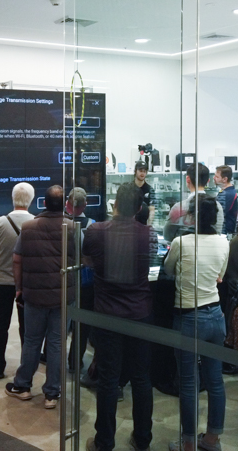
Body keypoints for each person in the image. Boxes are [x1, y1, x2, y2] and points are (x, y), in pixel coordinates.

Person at [83, 183, 153, 451]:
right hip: (140, 313)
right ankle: (143, 438)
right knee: (141, 378)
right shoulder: (148, 233)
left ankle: (104, 442)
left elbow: (87, 260)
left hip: (107, 314)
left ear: (114, 205)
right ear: (138, 208)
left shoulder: (95, 231)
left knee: (108, 380)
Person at [164, 195, 229, 451]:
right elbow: (220, 276)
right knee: (215, 381)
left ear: (191, 216)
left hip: (189, 316)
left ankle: (189, 442)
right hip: (216, 315)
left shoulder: (181, 242)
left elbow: (168, 270)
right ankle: (212, 439)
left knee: (189, 382)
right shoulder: (224, 242)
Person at [5, 185, 75, 409]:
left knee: (32, 341)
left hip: (34, 295)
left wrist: (19, 288)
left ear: (43, 203)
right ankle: (52, 394)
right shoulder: (73, 228)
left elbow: (17, 259)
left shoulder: (28, 227)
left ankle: (23, 386)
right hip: (62, 297)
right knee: (56, 343)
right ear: (65, 204)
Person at [0, 182, 35, 379]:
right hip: (26, 284)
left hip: (1, 281)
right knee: (27, 329)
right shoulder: (35, 223)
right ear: (31, 200)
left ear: (13, 198)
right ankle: (26, 369)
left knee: (0, 326)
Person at [67, 187, 95, 372]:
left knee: (59, 323)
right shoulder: (92, 225)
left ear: (68, 203)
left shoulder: (60, 223)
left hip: (63, 279)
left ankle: (54, 361)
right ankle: (75, 362)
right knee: (82, 324)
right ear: (85, 204)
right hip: (85, 282)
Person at [163, 163, 223, 242]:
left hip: (185, 248)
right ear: (208, 181)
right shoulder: (218, 206)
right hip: (212, 247)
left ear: (187, 179)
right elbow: (218, 232)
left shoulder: (179, 207)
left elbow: (167, 235)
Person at [214, 165, 238, 237]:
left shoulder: (227, 194)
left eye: (217, 177)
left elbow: (217, 213)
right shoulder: (226, 191)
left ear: (224, 179)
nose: (214, 178)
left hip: (224, 233)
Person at [133, 161, 156, 225]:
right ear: (135, 171)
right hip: (130, 225)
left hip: (144, 224)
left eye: (144, 171)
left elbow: (152, 210)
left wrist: (149, 225)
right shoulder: (129, 188)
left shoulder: (150, 190)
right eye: (140, 171)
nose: (142, 173)